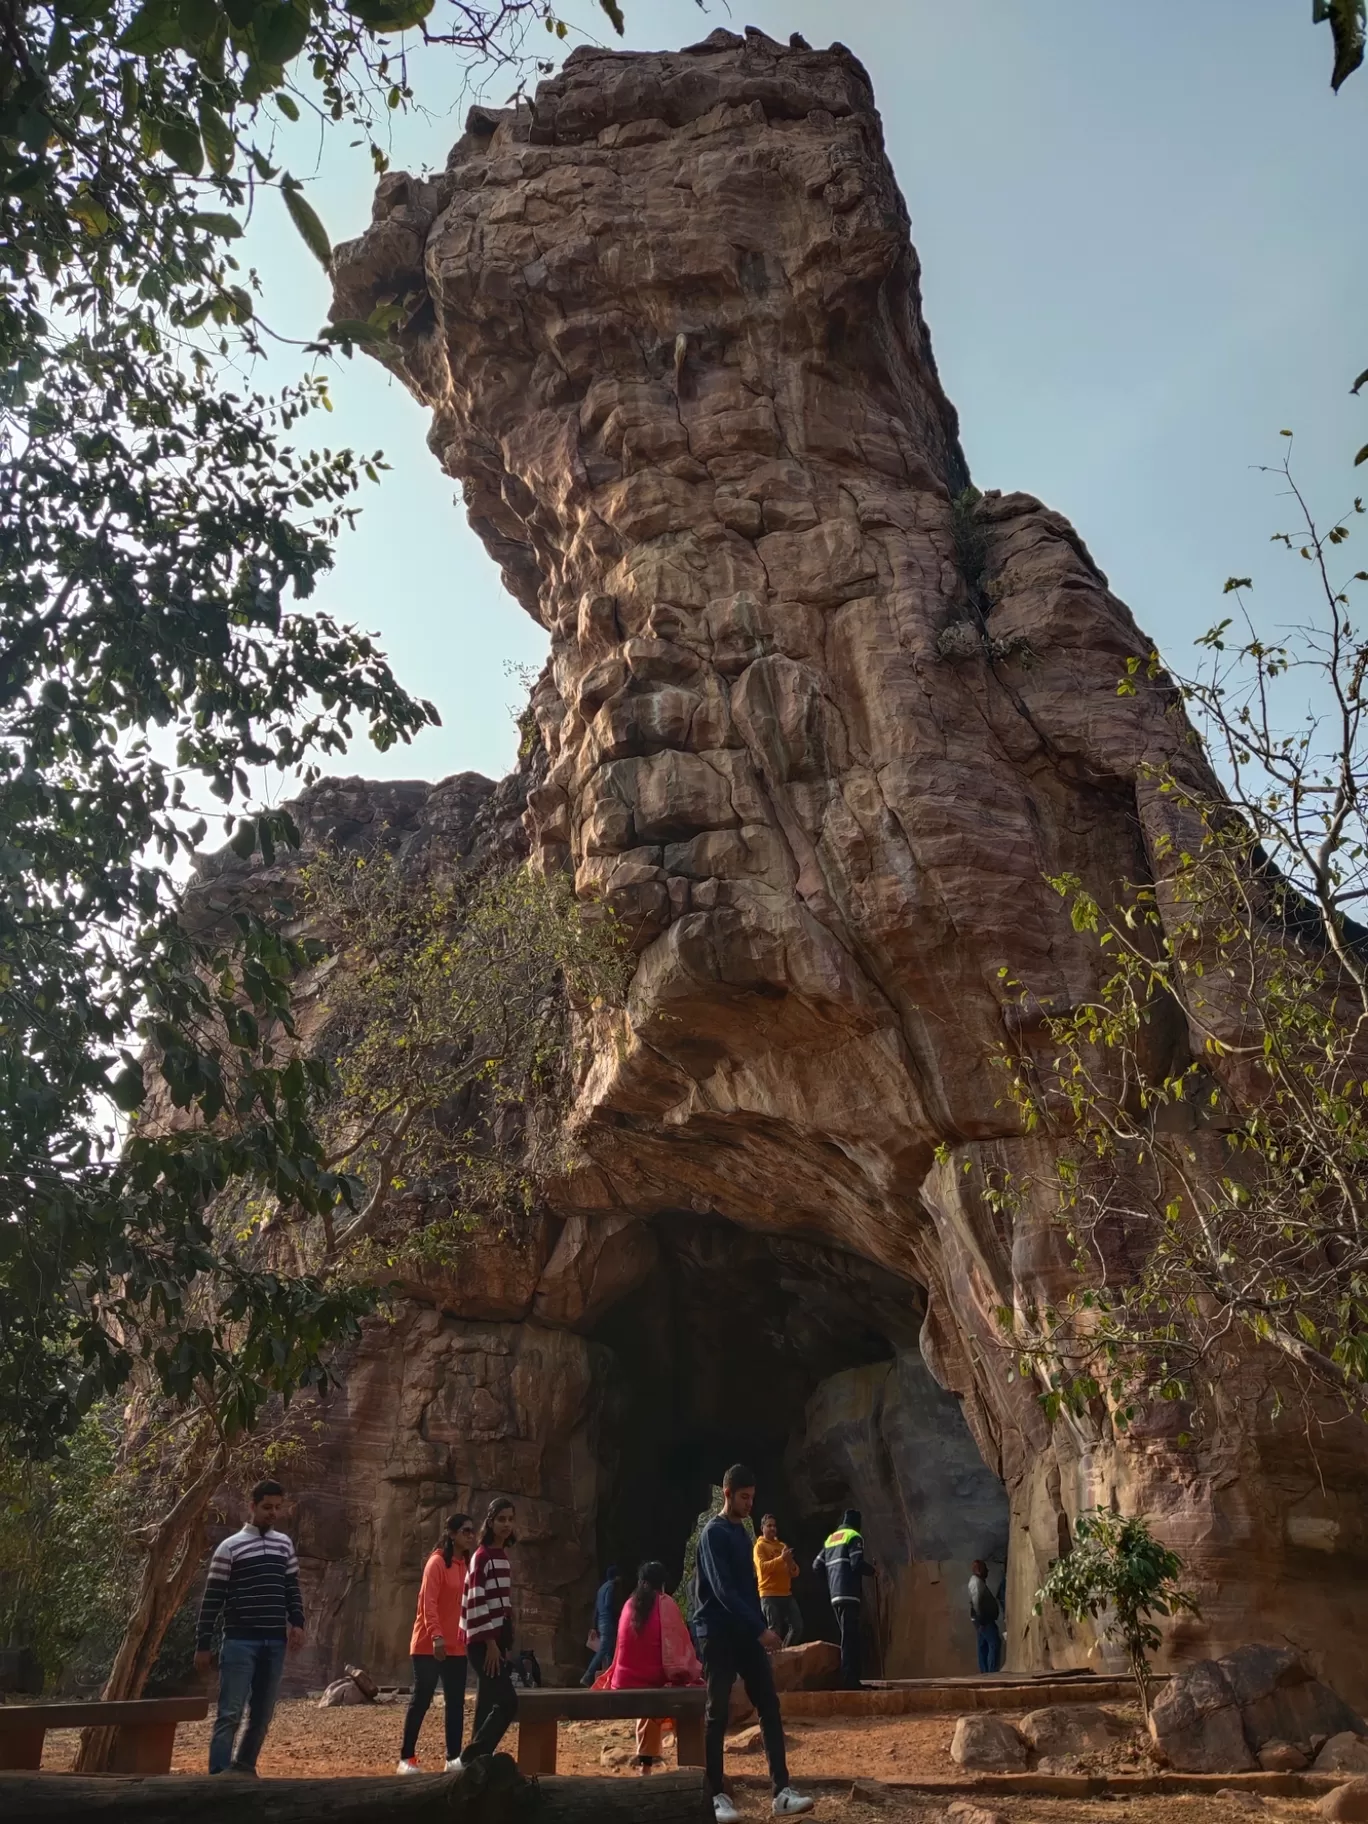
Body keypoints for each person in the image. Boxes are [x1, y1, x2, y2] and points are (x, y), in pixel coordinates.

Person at [695, 1463, 814, 1821]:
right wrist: (760, 1628)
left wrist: (757, 1628)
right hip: (717, 1633)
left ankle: (781, 1792)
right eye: (744, 1497)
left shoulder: (743, 1535)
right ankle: (715, 1795)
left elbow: (747, 1590)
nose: (750, 1505)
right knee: (717, 1714)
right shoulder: (713, 1534)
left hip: (745, 1633)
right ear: (727, 1493)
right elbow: (722, 1591)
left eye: (753, 1498)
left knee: (769, 1705)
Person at [194, 1477, 305, 1776]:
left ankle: (243, 1771)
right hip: (239, 1642)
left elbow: (291, 1588)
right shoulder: (229, 1548)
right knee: (229, 1713)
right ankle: (218, 1777)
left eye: (277, 1508)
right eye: (267, 1507)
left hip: (274, 1643)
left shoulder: (284, 1545)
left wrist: (298, 1622)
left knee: (262, 1714)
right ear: (252, 1506)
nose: (272, 1513)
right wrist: (203, 1643)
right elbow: (213, 1599)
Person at [397, 1513, 477, 1775]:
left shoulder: (466, 1564)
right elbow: (428, 1603)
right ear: (452, 1534)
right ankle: (406, 1759)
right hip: (428, 1644)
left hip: (457, 1645)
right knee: (422, 1698)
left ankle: (453, 1758)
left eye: (472, 1531)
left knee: (455, 1702)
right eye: (465, 1531)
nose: (470, 1535)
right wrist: (436, 1636)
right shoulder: (436, 1563)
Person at [607, 1559, 702, 1772]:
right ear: (663, 1584)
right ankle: (691, 1765)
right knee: (689, 1692)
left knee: (650, 1704)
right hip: (652, 1685)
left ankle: (646, 1766)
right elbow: (680, 1652)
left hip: (623, 1684)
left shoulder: (629, 1604)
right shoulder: (665, 1603)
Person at [449, 1497, 519, 1772]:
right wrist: (490, 1643)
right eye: (501, 1519)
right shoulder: (482, 1557)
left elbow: (503, 1603)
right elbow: (477, 1600)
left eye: (510, 1519)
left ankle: (475, 1764)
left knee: (487, 1701)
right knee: (508, 1702)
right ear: (490, 1522)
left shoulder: (502, 1557)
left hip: (495, 1640)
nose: (506, 1524)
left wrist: (504, 1643)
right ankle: (472, 1757)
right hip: (481, 1640)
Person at [813, 1508, 876, 1690]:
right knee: (850, 1638)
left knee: (845, 1636)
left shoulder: (831, 1539)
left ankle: (850, 1678)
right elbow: (856, 1564)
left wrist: (833, 1578)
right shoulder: (854, 1536)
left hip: (835, 1595)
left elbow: (816, 1565)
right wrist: (872, 1571)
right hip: (849, 1594)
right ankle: (850, 1680)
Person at [753, 1515, 803, 1647]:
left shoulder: (782, 1546)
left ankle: (785, 1653)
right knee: (774, 1631)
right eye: (769, 1526)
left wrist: (790, 1562)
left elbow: (795, 1572)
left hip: (786, 1593)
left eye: (774, 1526)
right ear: (762, 1528)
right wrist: (781, 1559)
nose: (772, 1528)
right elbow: (763, 1568)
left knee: (797, 1626)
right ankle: (775, 1664)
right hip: (769, 1594)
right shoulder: (759, 1547)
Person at [580, 1563, 622, 1686]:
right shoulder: (611, 1587)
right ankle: (587, 1676)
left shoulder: (601, 1589)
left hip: (600, 1622)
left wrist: (594, 1625)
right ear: (616, 1577)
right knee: (604, 1650)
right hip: (608, 1621)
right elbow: (609, 1604)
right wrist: (616, 1615)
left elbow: (596, 1609)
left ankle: (608, 1678)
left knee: (609, 1651)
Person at [967, 1559, 1002, 1674]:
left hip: (982, 1619)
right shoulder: (976, 1583)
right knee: (994, 1642)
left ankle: (985, 1673)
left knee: (983, 1645)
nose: (987, 1570)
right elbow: (977, 1602)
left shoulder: (978, 1582)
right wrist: (981, 1621)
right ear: (979, 1570)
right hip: (984, 1620)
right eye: (985, 1568)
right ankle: (991, 1672)